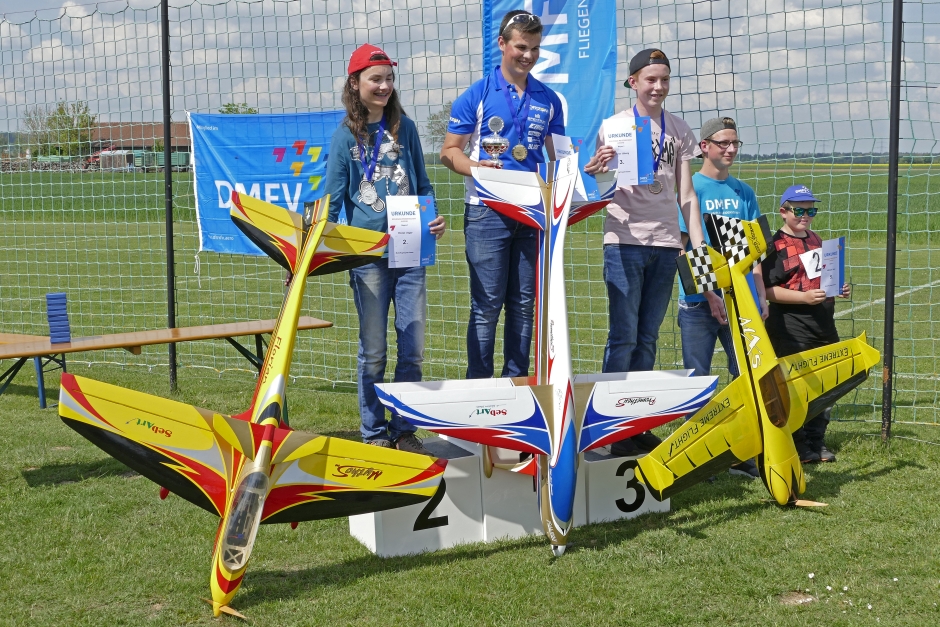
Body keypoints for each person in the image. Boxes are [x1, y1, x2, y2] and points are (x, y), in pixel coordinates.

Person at [324, 44, 446, 454]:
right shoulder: (345, 137)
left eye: (389, 79)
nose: (384, 86)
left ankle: (404, 429)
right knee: (374, 351)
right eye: (375, 79)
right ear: (354, 83)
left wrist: (434, 218)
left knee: (413, 349)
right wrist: (313, 249)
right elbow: (332, 200)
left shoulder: (405, 128)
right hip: (368, 258)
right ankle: (374, 431)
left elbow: (422, 184)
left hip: (411, 252)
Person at [584, 48, 705, 456]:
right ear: (633, 82)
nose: (658, 86)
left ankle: (634, 425)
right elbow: (599, 180)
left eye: (664, 79)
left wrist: (698, 249)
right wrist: (596, 168)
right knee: (624, 336)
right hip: (624, 241)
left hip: (666, 245)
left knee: (648, 337)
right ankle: (608, 427)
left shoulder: (680, 130)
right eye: (651, 79)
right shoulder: (613, 126)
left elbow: (686, 195)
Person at [441, 10, 564, 379]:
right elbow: (449, 151)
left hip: (532, 213)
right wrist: (477, 168)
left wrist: (583, 171)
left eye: (535, 48)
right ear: (502, 44)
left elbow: (560, 156)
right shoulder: (477, 94)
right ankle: (479, 388)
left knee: (524, 305)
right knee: (487, 305)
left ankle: (517, 385)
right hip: (487, 212)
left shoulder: (549, 98)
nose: (528, 55)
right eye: (521, 47)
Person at [679, 116, 766, 478]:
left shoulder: (743, 192)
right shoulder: (691, 188)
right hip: (699, 304)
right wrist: (711, 294)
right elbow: (686, 246)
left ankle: (739, 451)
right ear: (704, 147)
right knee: (697, 380)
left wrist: (761, 297)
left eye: (735, 143)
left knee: (744, 375)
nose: (730, 149)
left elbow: (754, 252)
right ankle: (701, 456)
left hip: (740, 302)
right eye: (723, 143)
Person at [761, 184, 851, 463]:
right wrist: (803, 298)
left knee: (826, 385)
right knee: (795, 388)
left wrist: (839, 287)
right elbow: (766, 290)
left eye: (811, 211)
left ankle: (816, 440)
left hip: (823, 325)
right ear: (783, 212)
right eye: (799, 211)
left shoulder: (816, 239)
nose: (806, 216)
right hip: (790, 328)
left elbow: (820, 279)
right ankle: (798, 444)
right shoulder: (774, 245)